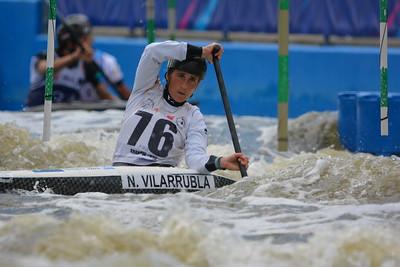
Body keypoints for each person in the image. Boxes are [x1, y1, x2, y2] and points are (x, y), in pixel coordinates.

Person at [112, 40, 249, 173]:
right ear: (169, 75)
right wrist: (201, 51)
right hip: (121, 168)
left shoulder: (193, 116)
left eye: (192, 80)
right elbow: (152, 51)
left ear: (197, 85)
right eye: (181, 76)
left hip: (161, 180)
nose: (184, 86)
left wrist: (221, 162)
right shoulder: (145, 90)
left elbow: (195, 160)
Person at [26, 14, 131, 107]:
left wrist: (120, 104)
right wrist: (74, 56)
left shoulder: (85, 65)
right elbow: (45, 69)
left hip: (67, 115)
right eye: (84, 39)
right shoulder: (45, 56)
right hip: (38, 113)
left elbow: (104, 94)